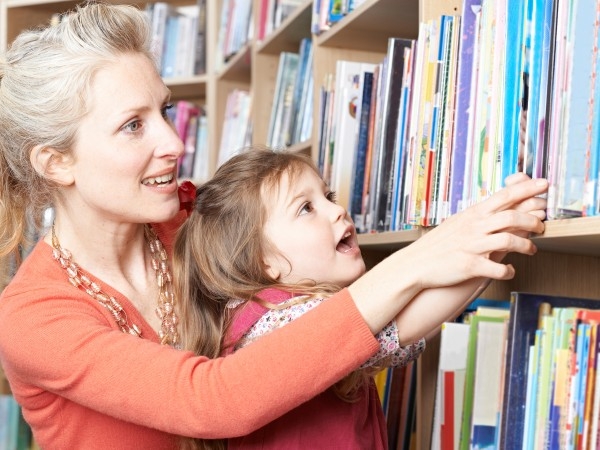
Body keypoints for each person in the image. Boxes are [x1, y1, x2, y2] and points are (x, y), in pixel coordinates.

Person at [0, 2, 547, 449]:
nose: (173, 143)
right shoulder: (31, 319)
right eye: (132, 126)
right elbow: (214, 401)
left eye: (165, 111)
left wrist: (483, 242)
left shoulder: (200, 220)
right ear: (56, 162)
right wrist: (418, 260)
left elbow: (352, 329)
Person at [173, 148, 429, 450]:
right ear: (264, 261)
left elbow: (405, 340)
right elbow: (407, 326)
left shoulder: (248, 311)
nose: (338, 211)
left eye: (329, 197)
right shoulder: (283, 318)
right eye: (306, 208)